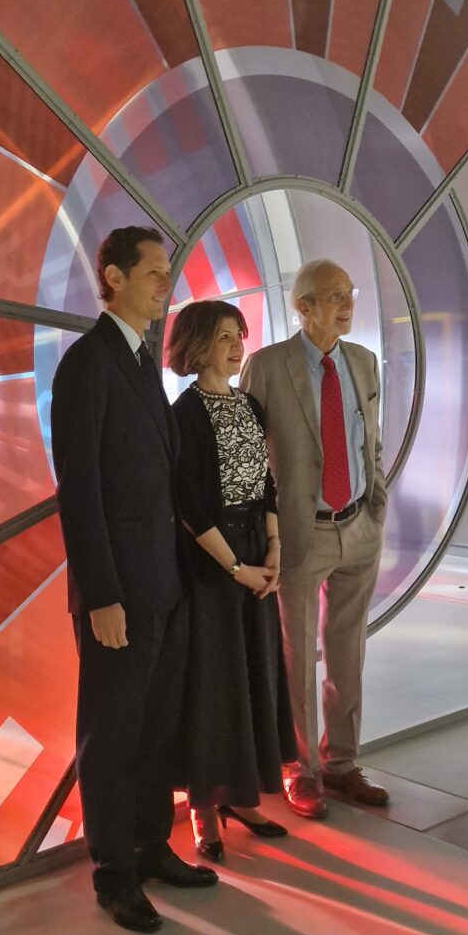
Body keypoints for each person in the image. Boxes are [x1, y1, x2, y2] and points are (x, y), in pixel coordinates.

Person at [50, 226, 218, 934]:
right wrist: (103, 596)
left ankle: (152, 847)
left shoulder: (144, 364)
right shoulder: (89, 365)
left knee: (152, 732)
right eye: (153, 271)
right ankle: (113, 872)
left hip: (164, 586)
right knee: (112, 735)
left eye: (166, 271)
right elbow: (80, 490)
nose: (165, 283)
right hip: (121, 592)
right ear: (113, 278)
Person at [240, 259, 389, 820]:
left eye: (347, 293)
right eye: (331, 296)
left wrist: (375, 507)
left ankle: (342, 763)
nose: (345, 304)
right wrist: (269, 534)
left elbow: (369, 443)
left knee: (348, 650)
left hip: (358, 527)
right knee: (297, 655)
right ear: (301, 307)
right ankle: (299, 769)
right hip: (303, 533)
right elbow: (253, 460)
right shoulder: (268, 366)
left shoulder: (363, 361)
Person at [169, 300, 297, 861]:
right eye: (223, 336)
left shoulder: (248, 404)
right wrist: (237, 568)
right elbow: (191, 506)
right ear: (197, 344)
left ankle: (240, 795)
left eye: (237, 334)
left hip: (253, 552)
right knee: (214, 684)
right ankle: (204, 807)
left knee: (255, 675)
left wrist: (273, 551)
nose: (235, 345)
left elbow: (266, 485)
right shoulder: (185, 413)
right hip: (213, 563)